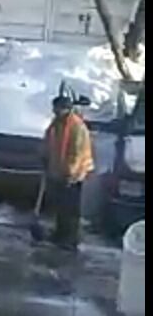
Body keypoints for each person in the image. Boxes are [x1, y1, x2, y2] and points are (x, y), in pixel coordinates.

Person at [42, 93, 94, 249]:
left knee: (71, 208)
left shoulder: (76, 126)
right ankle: (60, 233)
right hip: (59, 171)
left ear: (67, 109)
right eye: (54, 109)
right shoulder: (56, 124)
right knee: (60, 206)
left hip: (74, 174)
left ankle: (70, 239)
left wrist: (70, 174)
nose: (56, 112)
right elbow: (49, 142)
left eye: (58, 109)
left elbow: (76, 153)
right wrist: (44, 157)